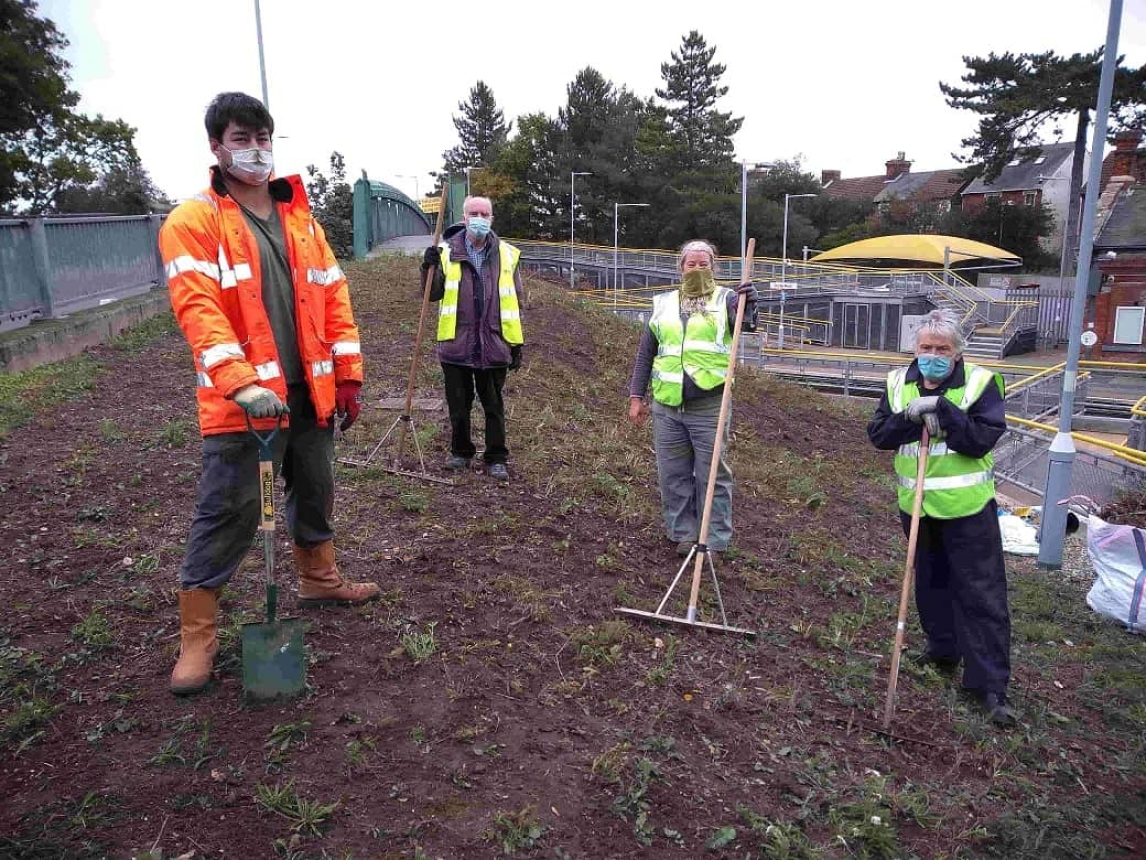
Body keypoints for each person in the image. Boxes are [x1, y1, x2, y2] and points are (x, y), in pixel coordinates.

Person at [159, 92, 380, 697]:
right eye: (240, 138)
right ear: (215, 146)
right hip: (245, 407)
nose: (254, 150)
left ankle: (319, 578)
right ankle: (198, 635)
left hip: (311, 391)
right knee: (229, 511)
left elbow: (334, 299)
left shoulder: (302, 221)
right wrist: (241, 384)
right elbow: (199, 311)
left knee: (316, 488)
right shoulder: (193, 222)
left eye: (263, 137)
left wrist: (349, 375)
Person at [866, 309, 1015, 727]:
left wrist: (945, 412)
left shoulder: (981, 383)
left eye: (942, 349)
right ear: (915, 348)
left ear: (957, 353)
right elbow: (879, 436)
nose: (933, 355)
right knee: (931, 583)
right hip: (917, 506)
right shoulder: (898, 383)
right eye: (926, 348)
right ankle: (943, 648)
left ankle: (988, 683)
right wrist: (910, 417)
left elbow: (982, 439)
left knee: (981, 594)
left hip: (967, 508)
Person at [627, 240, 758, 558]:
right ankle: (682, 533)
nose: (697, 269)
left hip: (709, 404)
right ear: (681, 268)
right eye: (691, 264)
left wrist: (749, 305)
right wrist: (636, 396)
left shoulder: (728, 300)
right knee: (673, 473)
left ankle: (713, 539)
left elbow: (746, 325)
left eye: (704, 264)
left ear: (714, 268)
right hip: (667, 405)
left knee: (712, 473)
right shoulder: (664, 304)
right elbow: (647, 353)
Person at [421, 195, 524, 482]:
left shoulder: (506, 255)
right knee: (459, 404)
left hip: (494, 343)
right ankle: (461, 452)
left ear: (492, 218)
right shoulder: (444, 253)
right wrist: (426, 267)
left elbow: (515, 300)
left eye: (485, 213)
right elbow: (432, 294)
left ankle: (496, 457)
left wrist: (516, 343)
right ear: (464, 218)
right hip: (457, 343)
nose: (480, 218)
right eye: (474, 213)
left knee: (493, 405)